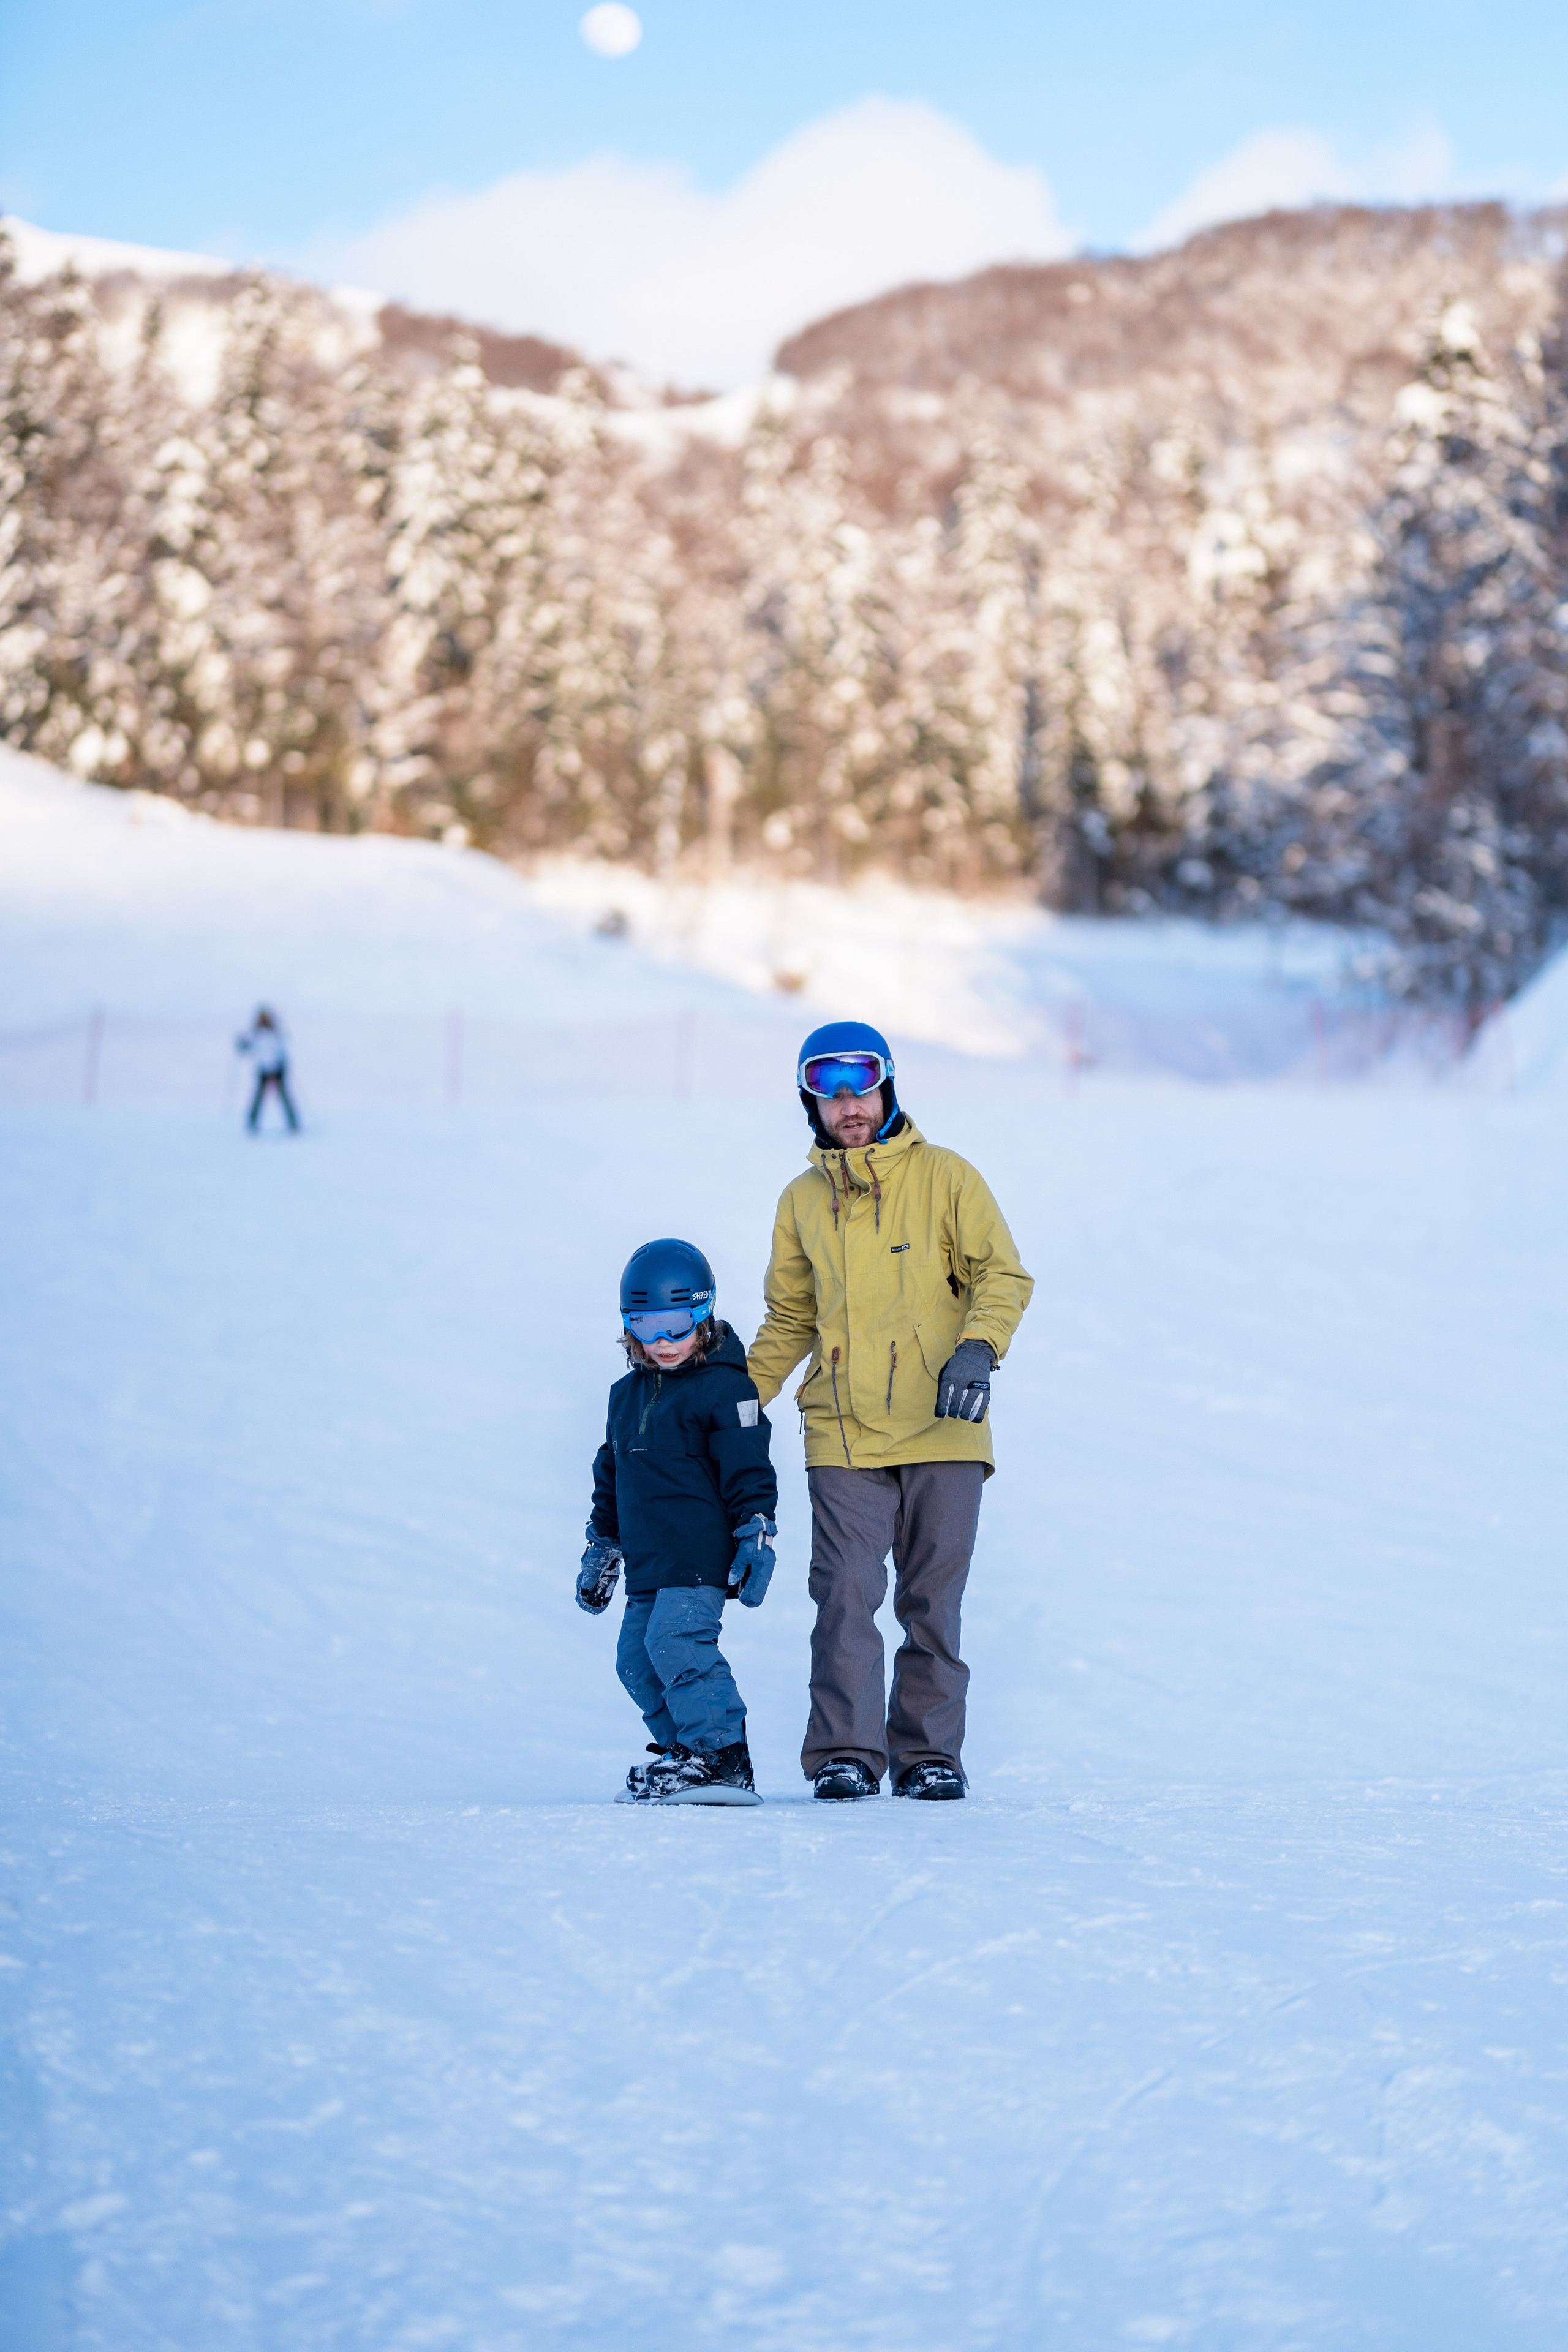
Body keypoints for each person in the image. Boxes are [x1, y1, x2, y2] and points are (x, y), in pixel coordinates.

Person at [747, 1021, 1033, 1803]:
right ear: (811, 1101)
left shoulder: (947, 1177)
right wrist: (738, 1395)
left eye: (861, 1086)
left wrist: (979, 1346)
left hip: (944, 1422)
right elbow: (789, 1318)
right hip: (840, 1426)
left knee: (931, 1598)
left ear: (888, 1088)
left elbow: (1000, 1275)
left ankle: (927, 1755)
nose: (848, 1105)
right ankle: (844, 1752)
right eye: (829, 1091)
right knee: (842, 1593)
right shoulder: (801, 1200)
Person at [578, 1238, 778, 1806]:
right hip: (648, 1561)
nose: (662, 1341)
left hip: (697, 1556)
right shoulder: (625, 1395)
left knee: (678, 1643)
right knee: (636, 1661)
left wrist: (756, 1531)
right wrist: (602, 1546)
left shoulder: (726, 1387)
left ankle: (721, 1756)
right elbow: (610, 1476)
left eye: (676, 1324)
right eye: (646, 1325)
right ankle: (684, 1755)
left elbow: (749, 1468)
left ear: (704, 1315)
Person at [236, 1007, 300, 1133]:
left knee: (284, 1097)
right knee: (258, 1098)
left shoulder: (276, 1031)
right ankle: (252, 1123)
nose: (264, 1019)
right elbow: (247, 1048)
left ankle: (293, 1123)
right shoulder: (255, 1033)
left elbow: (284, 1045)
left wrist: (282, 1064)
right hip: (263, 1069)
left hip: (277, 1068)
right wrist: (241, 1044)